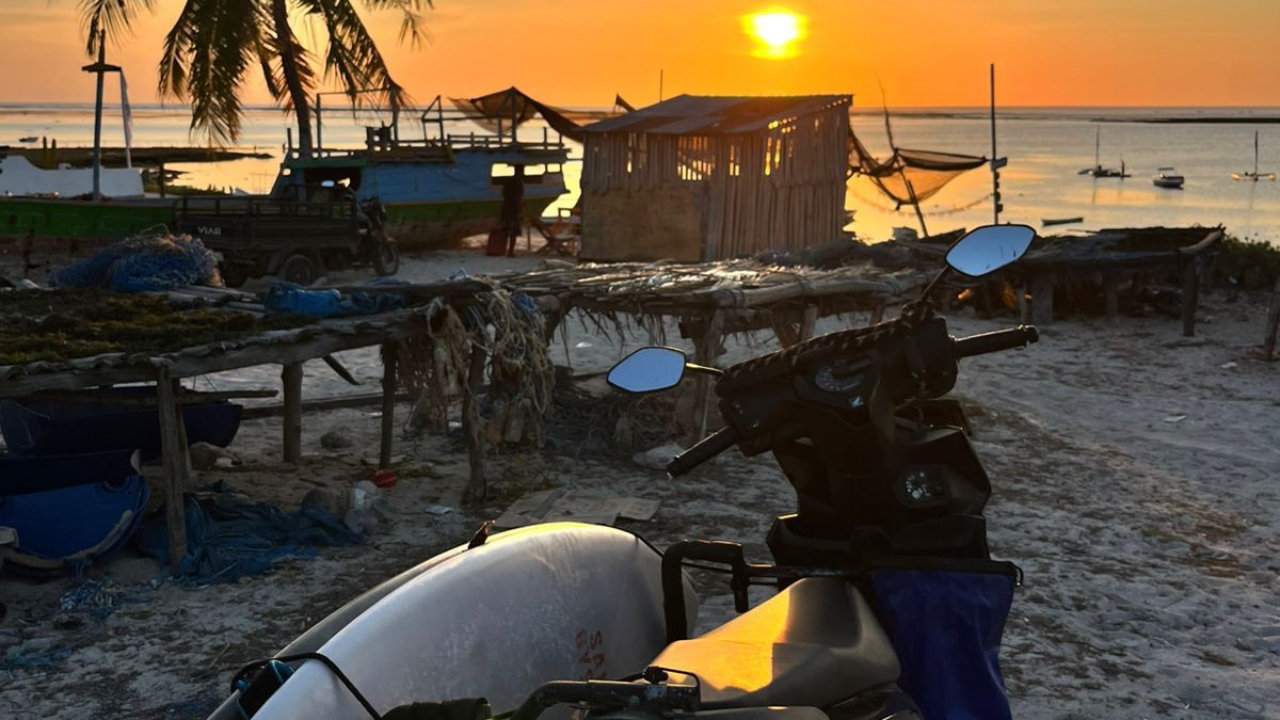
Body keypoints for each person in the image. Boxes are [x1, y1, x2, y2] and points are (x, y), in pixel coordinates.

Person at [500, 165, 526, 257]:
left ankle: (501, 250)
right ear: (521, 172)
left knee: (506, 230)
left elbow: (504, 194)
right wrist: (522, 210)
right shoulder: (519, 183)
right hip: (515, 209)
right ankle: (510, 251)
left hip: (506, 208)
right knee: (513, 232)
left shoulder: (508, 181)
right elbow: (520, 198)